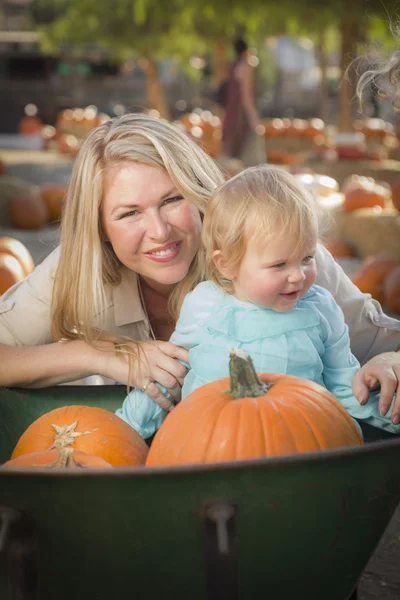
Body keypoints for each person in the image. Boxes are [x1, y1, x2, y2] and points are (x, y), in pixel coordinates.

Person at [0, 113, 398, 417]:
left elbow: (388, 343)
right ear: (100, 227)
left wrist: (390, 361)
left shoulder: (281, 257)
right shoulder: (78, 266)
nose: (159, 231)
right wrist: (99, 354)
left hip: (286, 444)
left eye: (173, 200)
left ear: (200, 194)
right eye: (128, 214)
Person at [117, 166, 400, 439]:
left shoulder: (320, 307)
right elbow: (171, 375)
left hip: (302, 439)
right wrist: (125, 429)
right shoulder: (204, 305)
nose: (298, 276)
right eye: (279, 265)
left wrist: (391, 417)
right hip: (212, 440)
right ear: (227, 265)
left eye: (307, 258)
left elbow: (344, 385)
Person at [221, 38, 266, 167]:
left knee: (232, 157)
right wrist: (254, 119)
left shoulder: (233, 66)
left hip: (232, 112)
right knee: (251, 158)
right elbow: (246, 95)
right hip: (242, 115)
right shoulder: (245, 67)